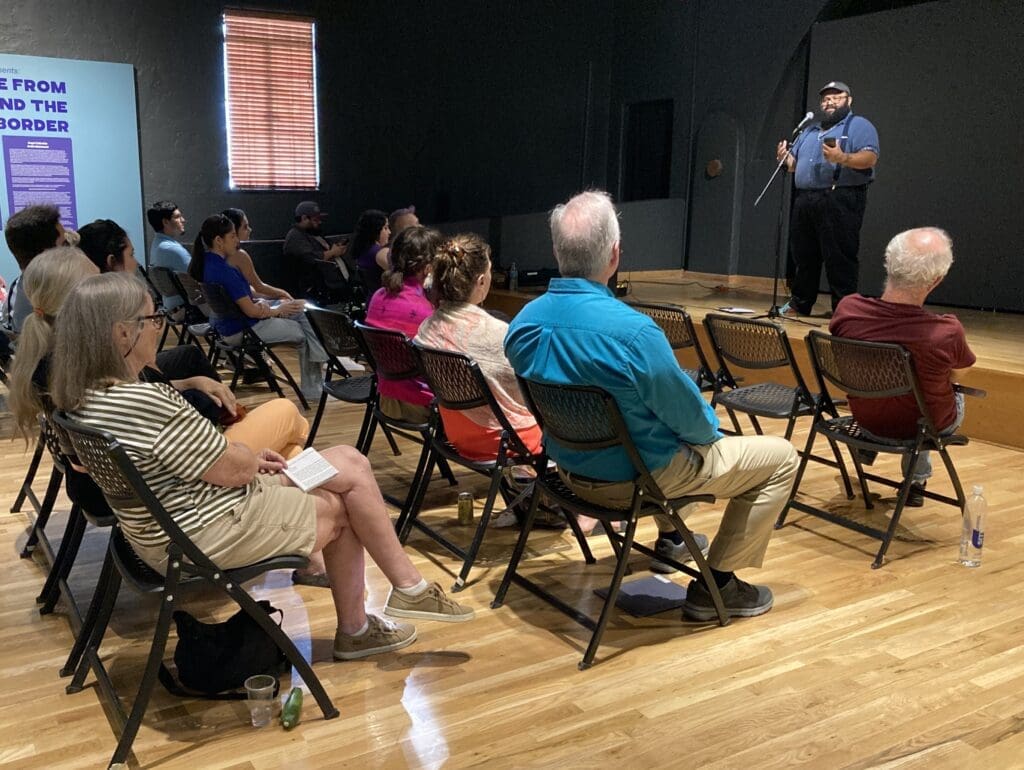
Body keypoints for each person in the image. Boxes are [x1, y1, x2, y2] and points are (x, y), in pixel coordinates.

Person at [49, 273, 474, 659]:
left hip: (175, 523)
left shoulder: (86, 397)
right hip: (207, 528)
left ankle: (408, 588)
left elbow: (215, 462)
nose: (159, 324)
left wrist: (249, 460)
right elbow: (231, 469)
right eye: (153, 317)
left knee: (347, 460)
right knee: (345, 507)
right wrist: (248, 461)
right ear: (124, 332)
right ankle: (362, 626)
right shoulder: (143, 401)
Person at [505, 190, 799, 621]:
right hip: (637, 480)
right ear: (615, 254)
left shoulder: (522, 324)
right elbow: (696, 428)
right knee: (781, 458)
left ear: (556, 251)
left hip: (567, 473)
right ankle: (717, 585)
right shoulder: (635, 335)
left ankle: (673, 540)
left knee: (654, 430)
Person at [830, 227, 974, 506]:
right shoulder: (945, 332)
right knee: (936, 393)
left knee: (912, 390)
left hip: (867, 421)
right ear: (936, 281)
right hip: (919, 428)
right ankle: (916, 481)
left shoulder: (848, 309)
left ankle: (865, 449)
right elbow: (960, 372)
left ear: (888, 262)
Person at [415, 233, 541, 460]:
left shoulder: (426, 328)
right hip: (505, 439)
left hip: (455, 433)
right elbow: (528, 395)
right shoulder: (497, 334)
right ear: (482, 280)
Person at [191, 214, 327, 400]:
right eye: (232, 236)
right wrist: (277, 310)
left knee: (302, 309)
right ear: (218, 241)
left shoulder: (206, 263)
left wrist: (270, 306)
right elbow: (252, 311)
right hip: (244, 330)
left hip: (231, 327)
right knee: (305, 332)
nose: (236, 240)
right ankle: (315, 383)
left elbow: (249, 300)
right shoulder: (225, 271)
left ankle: (319, 371)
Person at [776, 81, 880, 316]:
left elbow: (869, 158)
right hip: (805, 199)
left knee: (839, 255)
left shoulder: (858, 125)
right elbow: (794, 166)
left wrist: (842, 157)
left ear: (849, 100)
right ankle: (800, 303)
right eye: (825, 98)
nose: (829, 101)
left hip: (839, 197)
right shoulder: (810, 130)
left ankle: (844, 309)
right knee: (804, 254)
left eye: (836, 97)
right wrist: (785, 158)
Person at [365, 225, 440, 422]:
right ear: (429, 267)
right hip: (420, 406)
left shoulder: (378, 296)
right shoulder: (427, 312)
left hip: (385, 398)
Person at [2, 204, 66, 334]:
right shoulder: (62, 294)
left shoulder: (16, 290)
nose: (71, 251)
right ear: (47, 253)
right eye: (65, 244)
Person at [282, 201, 358, 305]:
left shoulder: (314, 234)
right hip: (320, 290)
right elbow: (310, 258)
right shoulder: (295, 237)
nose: (319, 222)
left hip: (339, 286)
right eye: (315, 219)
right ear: (304, 218)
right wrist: (332, 252)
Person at [221, 208, 292, 301]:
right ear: (233, 231)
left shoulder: (215, 253)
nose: (250, 230)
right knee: (296, 310)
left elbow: (249, 291)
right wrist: (284, 294)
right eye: (245, 227)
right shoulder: (238, 255)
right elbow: (259, 287)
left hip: (225, 311)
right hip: (238, 312)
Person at [146, 200, 191, 311]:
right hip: (186, 307)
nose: (183, 220)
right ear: (165, 222)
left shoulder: (158, 245)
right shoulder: (172, 249)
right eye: (177, 217)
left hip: (172, 305)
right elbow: (198, 278)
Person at [350, 209, 391, 296]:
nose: (389, 232)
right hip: (385, 301)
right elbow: (403, 277)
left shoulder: (363, 251)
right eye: (385, 228)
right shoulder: (379, 253)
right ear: (375, 230)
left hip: (372, 300)